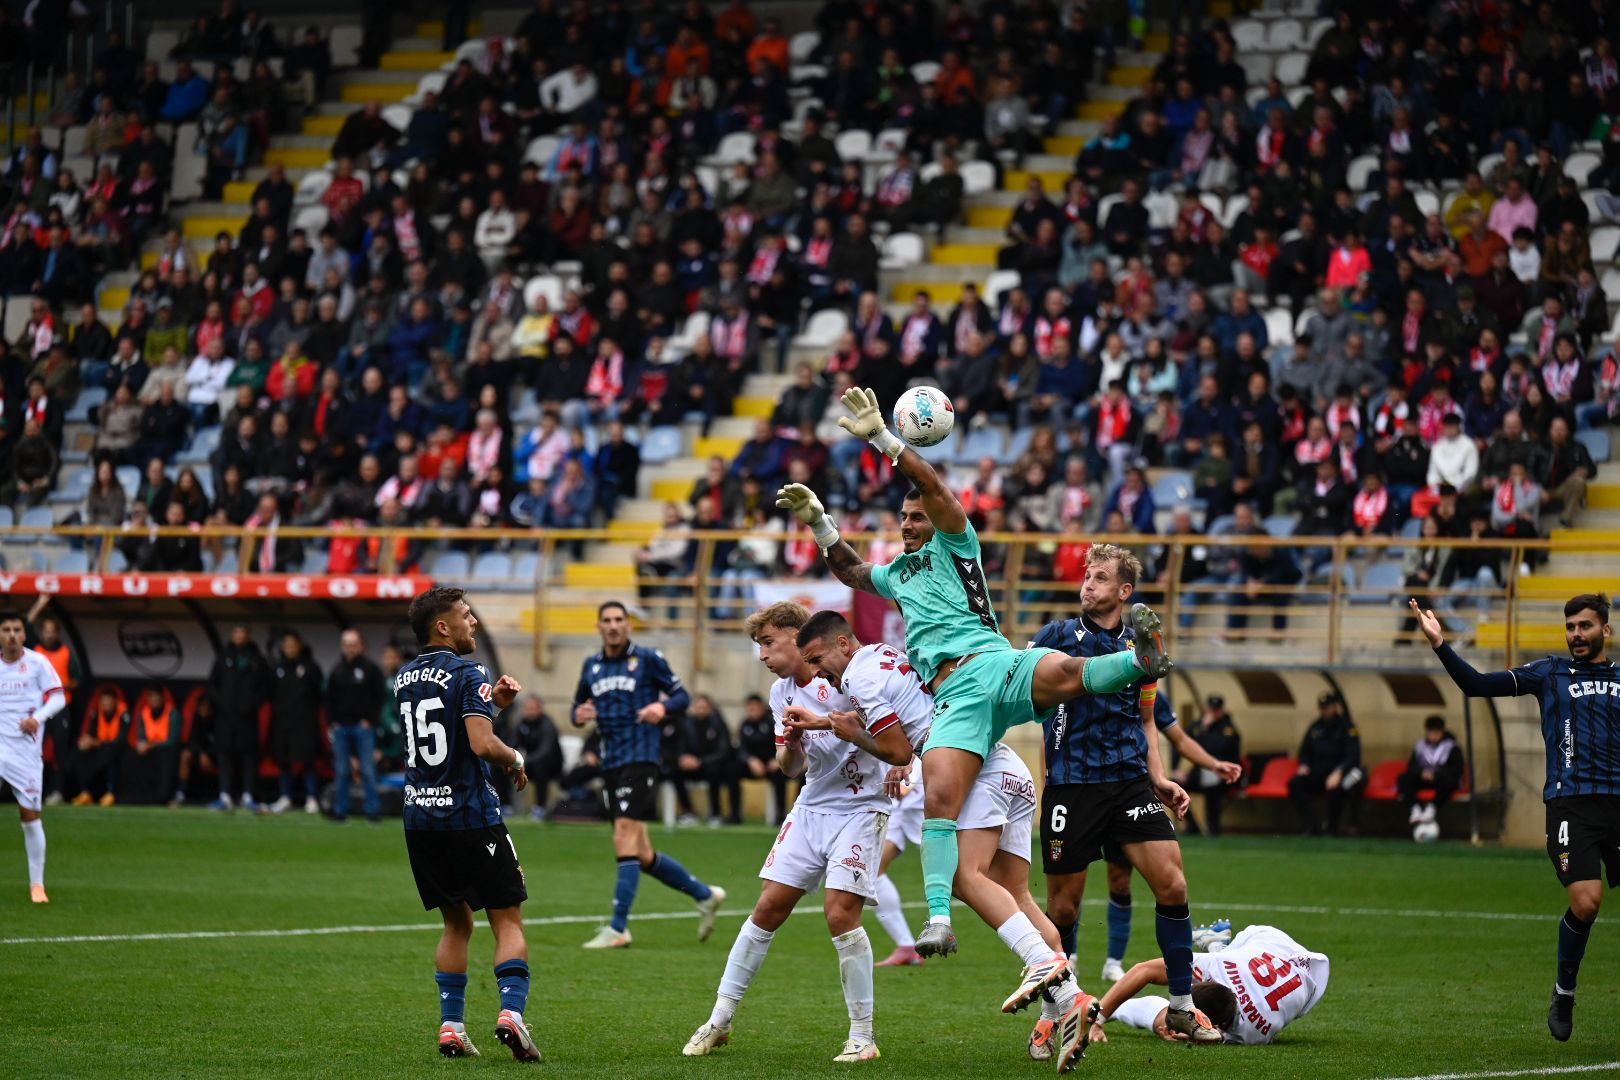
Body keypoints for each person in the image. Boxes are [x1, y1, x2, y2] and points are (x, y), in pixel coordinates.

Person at [776, 386, 1170, 962]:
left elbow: (934, 488)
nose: (910, 525)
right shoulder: (899, 574)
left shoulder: (959, 545)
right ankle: (939, 920)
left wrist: (885, 440)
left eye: (917, 518)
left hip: (993, 663)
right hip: (953, 694)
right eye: (904, 518)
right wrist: (819, 520)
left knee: (1064, 669)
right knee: (940, 795)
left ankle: (1141, 659)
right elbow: (851, 571)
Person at [791, 610, 1098, 1072]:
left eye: (818, 659)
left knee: (963, 877)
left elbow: (895, 748)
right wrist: (828, 722)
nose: (817, 672)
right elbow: (900, 716)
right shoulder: (883, 655)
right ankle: (1064, 1003)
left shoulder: (855, 674)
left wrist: (853, 733)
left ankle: (1043, 966)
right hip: (1009, 767)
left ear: (843, 644)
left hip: (974, 771)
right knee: (1016, 895)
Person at [1028, 545, 1232, 1043]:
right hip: (1072, 788)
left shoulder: (1144, 644)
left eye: (1100, 578)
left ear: (1124, 592)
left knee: (1174, 886)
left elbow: (1146, 718)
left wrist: (1159, 777)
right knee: (1063, 911)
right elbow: (1028, 692)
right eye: (1086, 576)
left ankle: (1182, 1005)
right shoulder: (1055, 636)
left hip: (1128, 783)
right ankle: (1062, 1006)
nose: (1088, 585)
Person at [682, 602, 900, 1063]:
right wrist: (794, 742)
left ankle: (863, 1037)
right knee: (767, 907)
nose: (761, 654)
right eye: (758, 645)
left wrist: (905, 766)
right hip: (812, 807)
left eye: (767, 642)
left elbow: (891, 727)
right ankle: (719, 1019)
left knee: (840, 914)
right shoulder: (781, 692)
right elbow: (789, 768)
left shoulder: (845, 677)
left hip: (861, 806)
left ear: (797, 637)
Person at [1411, 593, 1620, 1041]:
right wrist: (1440, 645)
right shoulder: (1549, 673)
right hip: (1572, 804)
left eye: (1585, 626)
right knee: (1586, 902)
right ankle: (1565, 991)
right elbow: (1477, 685)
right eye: (1570, 627)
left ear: (1606, 631)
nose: (1576, 635)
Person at [397, 587, 539, 1062]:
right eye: (464, 614)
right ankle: (512, 1014)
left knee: (456, 923)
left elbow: (447, 733)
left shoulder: (404, 676)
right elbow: (480, 744)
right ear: (443, 626)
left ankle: (452, 1027)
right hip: (471, 817)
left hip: (420, 819)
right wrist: (517, 756)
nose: (472, 621)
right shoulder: (468, 670)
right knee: (507, 918)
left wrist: (491, 704)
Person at [571, 601, 725, 949]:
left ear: (628, 626)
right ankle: (704, 895)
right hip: (611, 762)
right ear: (599, 626)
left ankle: (618, 927)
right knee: (640, 854)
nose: (613, 626)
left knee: (623, 835)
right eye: (606, 620)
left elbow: (681, 696)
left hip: (642, 757)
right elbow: (576, 709)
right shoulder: (591, 666)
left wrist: (662, 706)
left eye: (619, 620)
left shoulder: (648, 659)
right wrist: (579, 714)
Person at [1090, 924, 1329, 1045]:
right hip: (1270, 945)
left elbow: (1143, 970)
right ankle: (1217, 944)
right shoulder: (1216, 967)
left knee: (1165, 1024)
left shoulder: (1250, 1035)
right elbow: (1144, 971)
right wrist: (1097, 1018)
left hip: (1292, 966)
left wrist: (1179, 1029)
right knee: (1170, 1020)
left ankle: (1217, 943)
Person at [0, 610, 66, 903]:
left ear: (24, 635)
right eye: (6, 630)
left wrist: (37, 718)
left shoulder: (38, 663)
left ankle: (37, 885)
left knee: (30, 817)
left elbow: (59, 697)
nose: (12, 635)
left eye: (16, 630)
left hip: (25, 750)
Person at [326, 628, 386, 823]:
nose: (350, 648)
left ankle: (373, 812)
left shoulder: (371, 669)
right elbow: (328, 699)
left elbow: (380, 697)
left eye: (353, 644)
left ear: (360, 645)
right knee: (342, 771)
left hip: (363, 727)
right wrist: (332, 722)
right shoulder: (336, 670)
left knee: (368, 770)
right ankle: (340, 811)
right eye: (347, 645)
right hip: (341, 728)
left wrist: (370, 720)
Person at [206, 624, 269, 811]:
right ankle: (225, 796)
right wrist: (222, 702)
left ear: (248, 636)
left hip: (247, 717)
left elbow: (265, 688)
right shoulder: (223, 657)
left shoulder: (257, 659)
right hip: (225, 717)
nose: (239, 636)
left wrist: (251, 704)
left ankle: (248, 795)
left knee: (248, 757)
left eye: (243, 633)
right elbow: (212, 685)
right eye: (236, 633)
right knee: (225, 756)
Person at [1286, 692, 1364, 836]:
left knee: (1337, 788)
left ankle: (1332, 828)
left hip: (1339, 773)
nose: (1325, 711)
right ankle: (1311, 825)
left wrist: (1339, 772)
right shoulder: (1315, 727)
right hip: (1318, 773)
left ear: (1335, 707)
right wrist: (1304, 765)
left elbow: (1353, 756)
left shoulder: (1347, 727)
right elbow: (1304, 751)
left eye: (1327, 707)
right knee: (1295, 783)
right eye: (1322, 708)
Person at [269, 631, 323, 815]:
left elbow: (319, 693)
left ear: (299, 646)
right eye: (286, 645)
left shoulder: (310, 667)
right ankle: (285, 797)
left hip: (305, 721)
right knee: (284, 761)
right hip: (283, 722)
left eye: (293, 644)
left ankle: (312, 797)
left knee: (308, 760)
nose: (290, 648)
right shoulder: (278, 667)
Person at [1172, 696, 1243, 836]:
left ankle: (1214, 828)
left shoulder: (1228, 728)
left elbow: (1215, 749)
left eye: (1216, 710)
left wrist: (1204, 729)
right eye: (1211, 709)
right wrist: (1176, 769)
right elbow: (1180, 744)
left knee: (1211, 784)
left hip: (1225, 776)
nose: (1213, 713)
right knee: (1174, 786)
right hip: (1201, 773)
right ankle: (1192, 826)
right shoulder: (1198, 725)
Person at [1397, 714, 1464, 831]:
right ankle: (1415, 809)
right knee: (1404, 779)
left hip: (1440, 779)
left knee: (1450, 782)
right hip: (1424, 778)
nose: (1433, 736)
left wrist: (1437, 774)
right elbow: (1411, 766)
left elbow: (1457, 769)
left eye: (1436, 732)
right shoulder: (1420, 746)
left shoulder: (1451, 747)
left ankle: (1432, 808)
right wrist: (1421, 773)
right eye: (1430, 732)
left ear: (1442, 732)